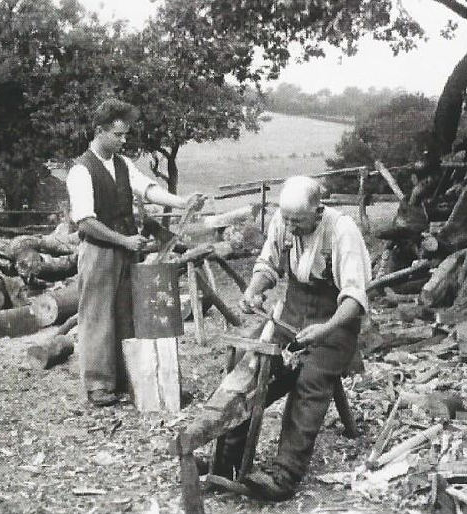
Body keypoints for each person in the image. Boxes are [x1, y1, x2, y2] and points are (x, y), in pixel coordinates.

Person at [214, 175, 371, 500]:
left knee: (309, 380)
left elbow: (355, 299)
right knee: (252, 369)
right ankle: (225, 459)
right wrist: (254, 290)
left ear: (318, 210)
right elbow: (267, 264)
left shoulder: (341, 230)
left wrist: (325, 329)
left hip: (335, 327)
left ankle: (285, 475)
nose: (291, 228)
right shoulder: (283, 221)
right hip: (289, 319)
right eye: (287, 220)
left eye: (298, 222)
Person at [65, 98, 200, 407]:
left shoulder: (123, 164)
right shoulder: (81, 171)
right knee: (97, 316)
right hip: (98, 252)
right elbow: (86, 221)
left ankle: (129, 378)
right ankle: (98, 384)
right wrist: (123, 241)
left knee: (128, 313)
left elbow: (147, 189)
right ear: (99, 131)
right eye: (118, 135)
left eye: (125, 135)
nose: (124, 140)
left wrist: (183, 203)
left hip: (127, 252)